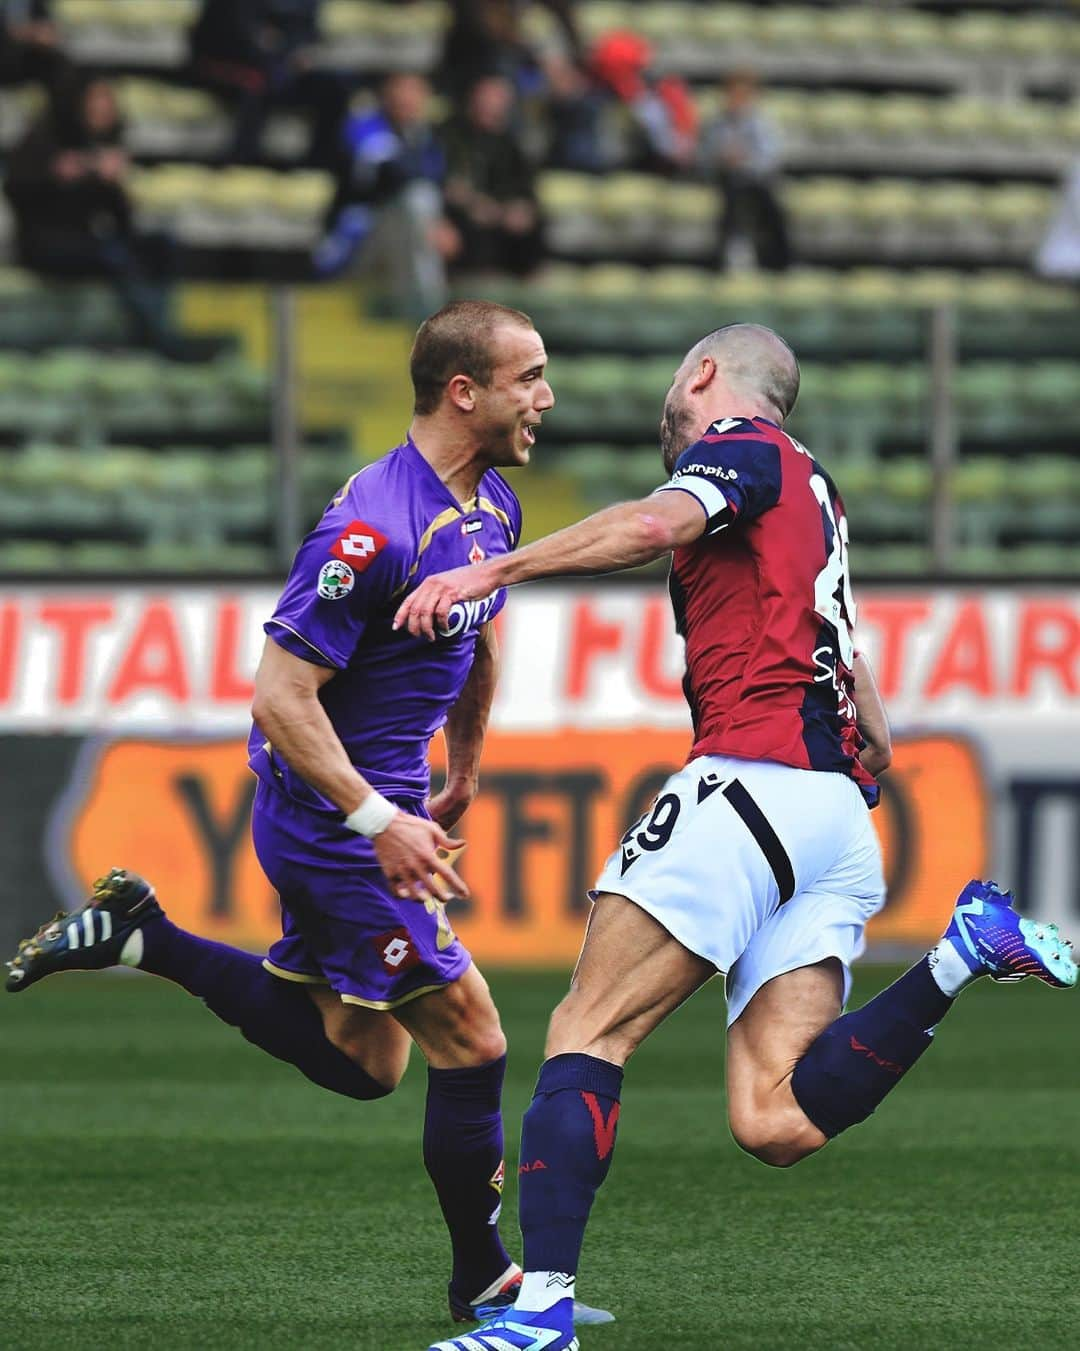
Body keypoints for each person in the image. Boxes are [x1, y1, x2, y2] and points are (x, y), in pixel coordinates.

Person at [393, 323, 1079, 1351]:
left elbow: (653, 526)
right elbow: (864, 701)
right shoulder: (820, 491)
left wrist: (491, 572)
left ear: (705, 376)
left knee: (587, 1027)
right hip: (837, 817)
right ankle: (958, 955)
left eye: (678, 384)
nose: (668, 406)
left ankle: (540, 1315)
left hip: (753, 781)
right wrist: (864, 754)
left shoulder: (742, 448)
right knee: (775, 1118)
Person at [5, 301, 607, 1333]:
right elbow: (279, 698)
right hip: (333, 824)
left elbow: (475, 630)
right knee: (474, 1037)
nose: (547, 397)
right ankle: (488, 1284)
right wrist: (382, 818)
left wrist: (459, 763)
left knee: (370, 1062)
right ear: (464, 392)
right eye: (530, 377)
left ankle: (146, 937)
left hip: (378, 809)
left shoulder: (490, 505)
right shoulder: (369, 526)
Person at [3, 70, 182, 355]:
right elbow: (19, 190)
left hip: (90, 241)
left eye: (108, 100)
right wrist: (58, 175)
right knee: (113, 255)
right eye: (97, 99)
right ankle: (156, 342)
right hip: (45, 244)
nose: (104, 107)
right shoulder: (42, 140)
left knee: (162, 244)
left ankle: (162, 327)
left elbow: (122, 222)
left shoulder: (102, 148)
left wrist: (114, 184)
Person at [313, 72, 460, 319]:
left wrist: (443, 223)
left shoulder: (423, 136)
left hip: (406, 245)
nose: (409, 101)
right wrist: (434, 224)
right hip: (357, 244)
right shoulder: (364, 126)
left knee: (426, 210)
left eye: (416, 93)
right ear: (386, 96)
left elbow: (440, 180)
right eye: (402, 92)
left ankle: (429, 316)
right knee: (418, 199)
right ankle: (429, 315)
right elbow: (394, 174)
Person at [188, 0, 350, 169]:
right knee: (255, 83)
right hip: (227, 66)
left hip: (279, 69)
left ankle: (320, 166)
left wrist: (296, 53)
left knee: (333, 89)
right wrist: (265, 47)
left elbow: (305, 33)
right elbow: (226, 34)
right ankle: (240, 165)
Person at [441, 75, 542, 277]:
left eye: (497, 101)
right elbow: (449, 185)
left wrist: (520, 208)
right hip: (464, 216)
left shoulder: (513, 144)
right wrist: (475, 203)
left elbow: (525, 188)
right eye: (484, 100)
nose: (490, 107)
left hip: (502, 215)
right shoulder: (449, 136)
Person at [701, 70, 790, 271]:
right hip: (725, 180)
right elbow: (705, 156)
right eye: (732, 94)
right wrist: (722, 160)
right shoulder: (716, 125)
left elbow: (770, 159)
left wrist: (743, 162)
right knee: (730, 201)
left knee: (768, 205)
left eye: (742, 95)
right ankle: (729, 256)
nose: (736, 100)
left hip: (755, 180)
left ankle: (778, 260)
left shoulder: (762, 124)